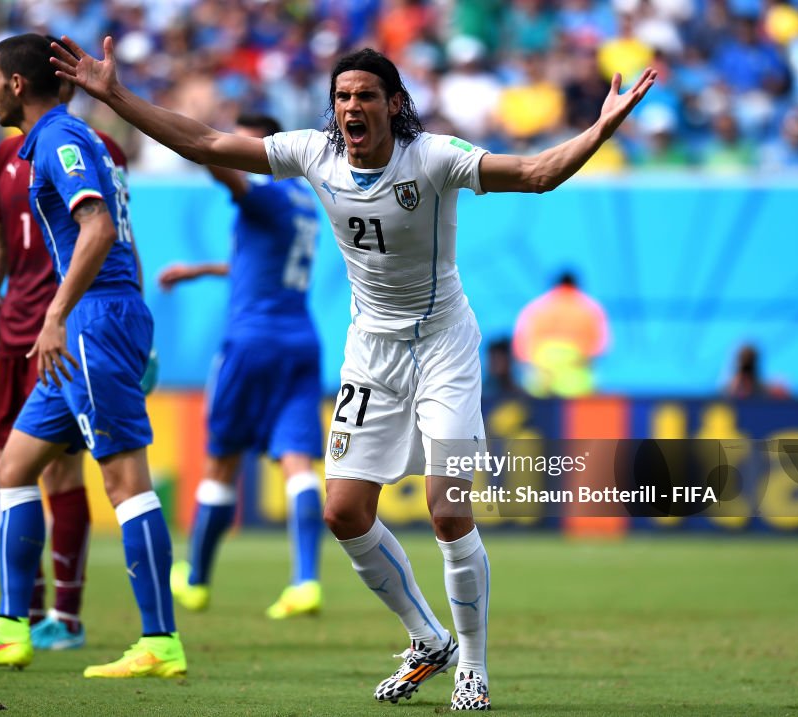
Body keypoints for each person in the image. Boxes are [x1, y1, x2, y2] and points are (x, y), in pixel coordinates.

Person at [53, 36, 654, 709]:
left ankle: (474, 668)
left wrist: (602, 126)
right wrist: (117, 96)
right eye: (342, 96)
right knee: (344, 510)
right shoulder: (315, 154)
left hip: (445, 349)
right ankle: (427, 637)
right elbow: (208, 143)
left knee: (449, 510)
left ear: (395, 105)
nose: (351, 106)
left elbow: (539, 171)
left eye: (366, 94)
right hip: (371, 351)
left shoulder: (433, 159)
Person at [0, 33, 185, 680]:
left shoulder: (61, 139)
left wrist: (53, 315)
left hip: (91, 323)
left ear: (19, 84)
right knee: (15, 466)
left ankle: (160, 640)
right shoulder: (48, 139)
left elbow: (99, 228)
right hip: (88, 322)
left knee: (123, 481)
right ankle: (9, 625)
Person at [0, 78, 134, 653]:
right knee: (10, 466)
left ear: (21, 83)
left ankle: (65, 617)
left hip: (67, 331)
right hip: (13, 332)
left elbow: (118, 236)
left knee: (61, 472)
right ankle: (18, 615)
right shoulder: (6, 154)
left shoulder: (95, 146)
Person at [158, 113, 325, 620]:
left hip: (252, 343)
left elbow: (222, 167)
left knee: (221, 462)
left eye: (245, 145)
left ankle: (198, 580)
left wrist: (206, 147)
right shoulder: (304, 204)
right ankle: (306, 582)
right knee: (298, 464)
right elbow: (261, 263)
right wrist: (202, 270)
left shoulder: (265, 193)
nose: (239, 152)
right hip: (301, 341)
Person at [512, 271, 610, 398]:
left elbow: (520, 350)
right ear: (577, 286)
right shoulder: (590, 308)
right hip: (577, 382)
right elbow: (599, 349)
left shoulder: (535, 308)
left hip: (540, 380)